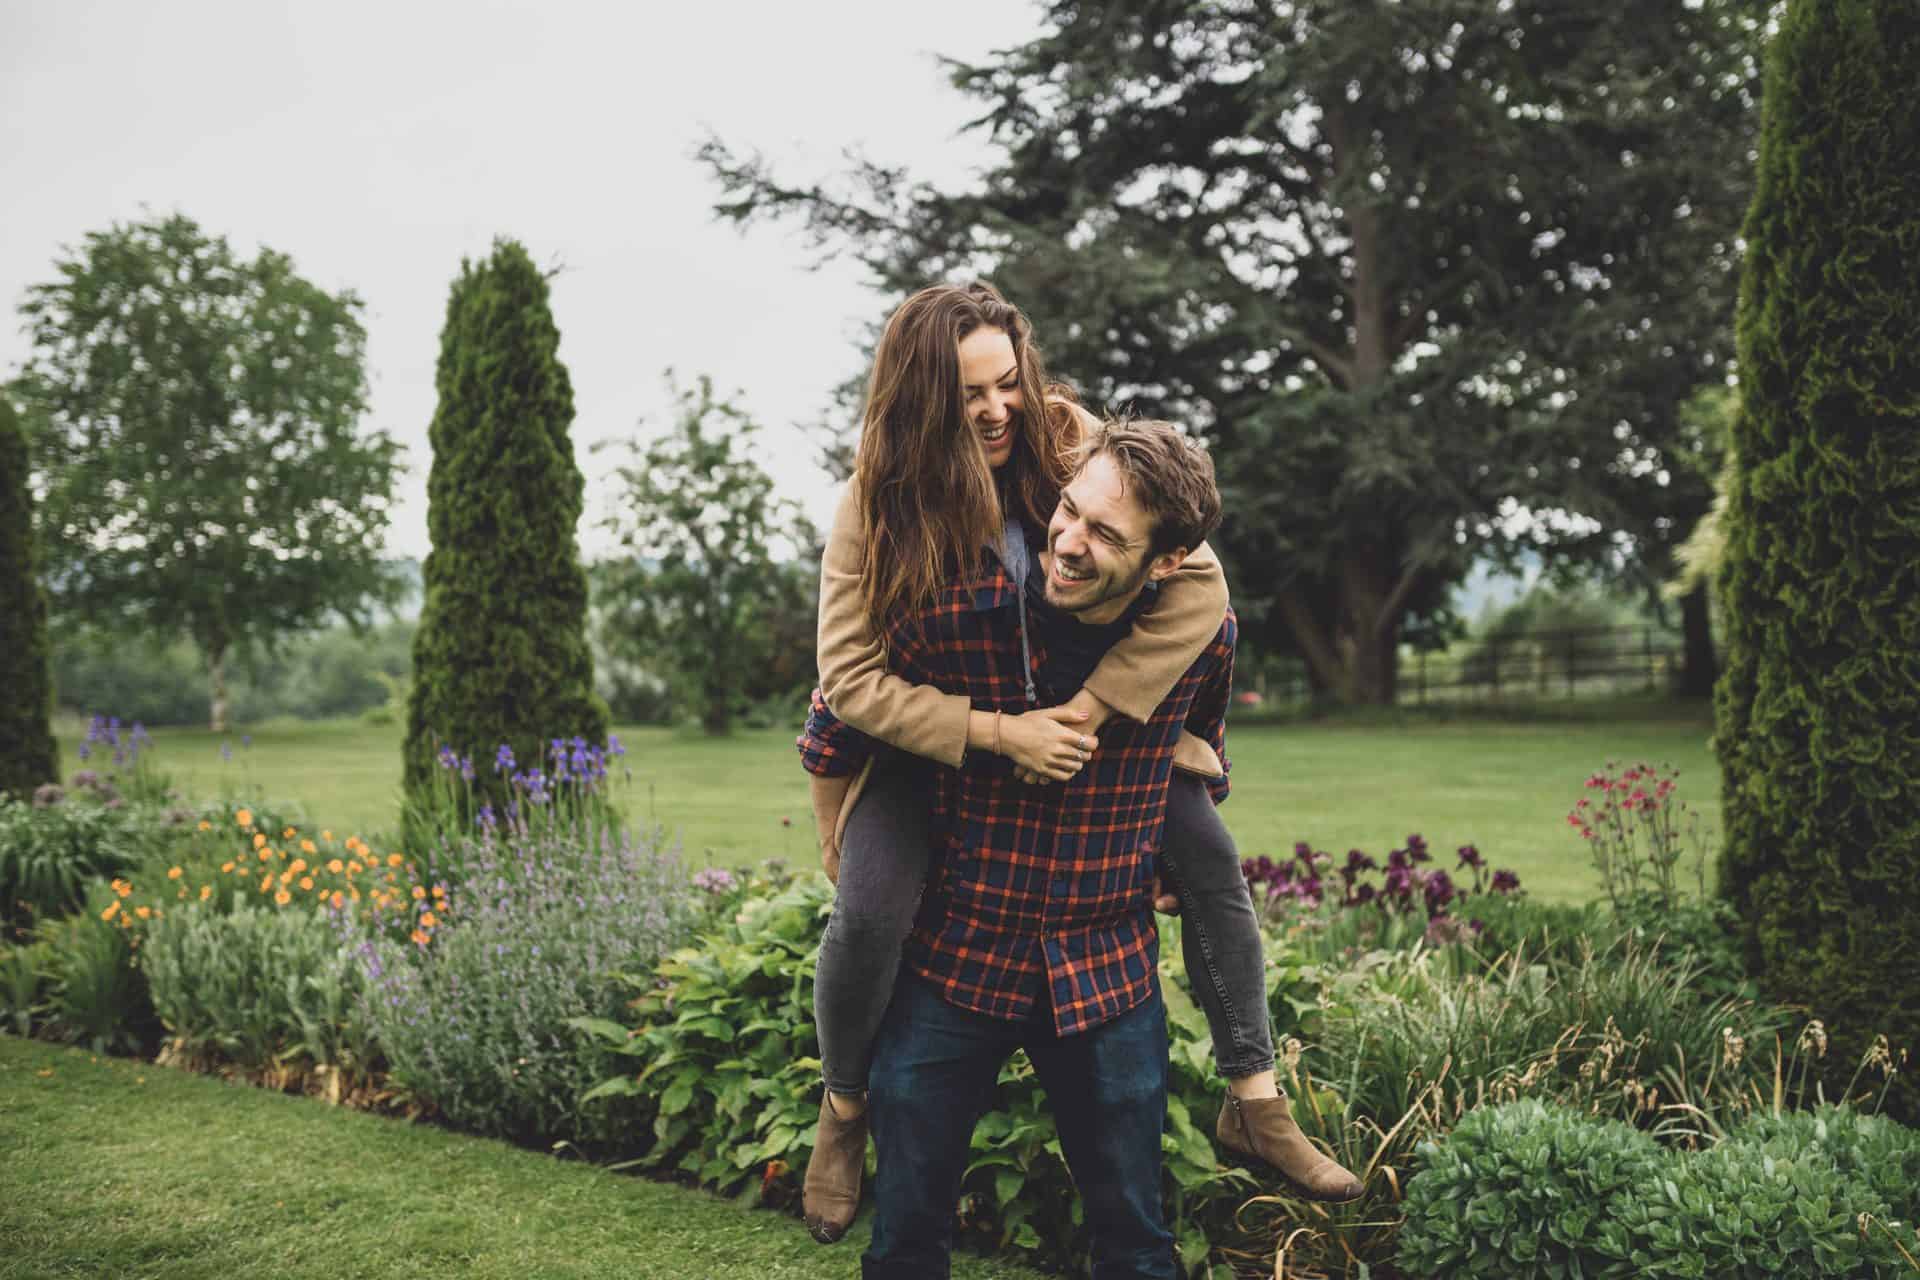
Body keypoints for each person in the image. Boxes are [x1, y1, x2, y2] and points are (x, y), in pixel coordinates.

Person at [797, 283, 1361, 1248]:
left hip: (1097, 756)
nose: (995, 410)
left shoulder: (1065, 438)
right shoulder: (874, 505)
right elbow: (845, 684)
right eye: (966, 393)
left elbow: (1202, 585)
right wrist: (993, 737)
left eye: (1006, 381)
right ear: (919, 400)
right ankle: (843, 1108)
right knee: (867, 911)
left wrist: (1104, 712)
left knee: (1214, 867)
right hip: (928, 737)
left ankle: (1256, 1093)